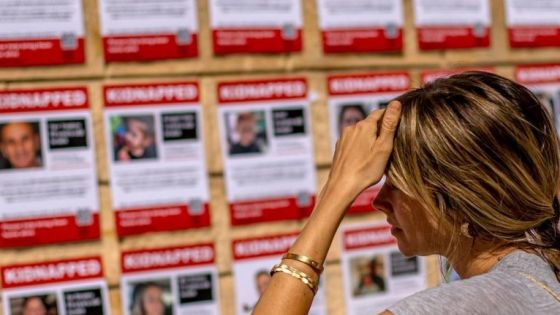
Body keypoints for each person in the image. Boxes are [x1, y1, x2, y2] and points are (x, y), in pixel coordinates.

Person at [253, 72, 560, 314]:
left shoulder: (468, 304)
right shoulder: (532, 279)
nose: (378, 200)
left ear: (459, 195)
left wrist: (336, 193)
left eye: (396, 184)